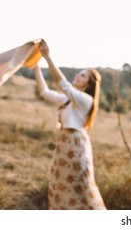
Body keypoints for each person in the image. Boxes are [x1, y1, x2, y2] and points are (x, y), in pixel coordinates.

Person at [33, 39, 106, 210]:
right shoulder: (68, 100)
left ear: (88, 84)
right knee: (61, 186)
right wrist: (36, 67)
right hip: (64, 145)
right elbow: (44, 92)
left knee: (81, 188)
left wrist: (47, 58)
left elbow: (63, 84)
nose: (77, 76)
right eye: (79, 73)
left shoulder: (85, 100)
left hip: (76, 146)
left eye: (82, 75)